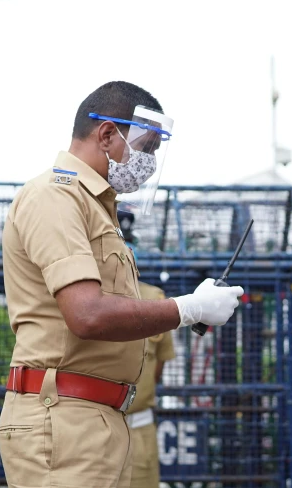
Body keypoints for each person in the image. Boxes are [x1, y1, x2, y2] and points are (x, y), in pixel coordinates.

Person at [0, 81, 243, 488]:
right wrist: (189, 309)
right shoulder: (56, 196)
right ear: (107, 133)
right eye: (144, 148)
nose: (147, 162)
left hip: (95, 420)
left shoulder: (95, 207)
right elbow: (88, 314)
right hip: (64, 419)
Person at [117, 204, 176, 488]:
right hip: (90, 427)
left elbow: (157, 370)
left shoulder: (155, 298)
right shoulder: (85, 299)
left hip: (137, 426)